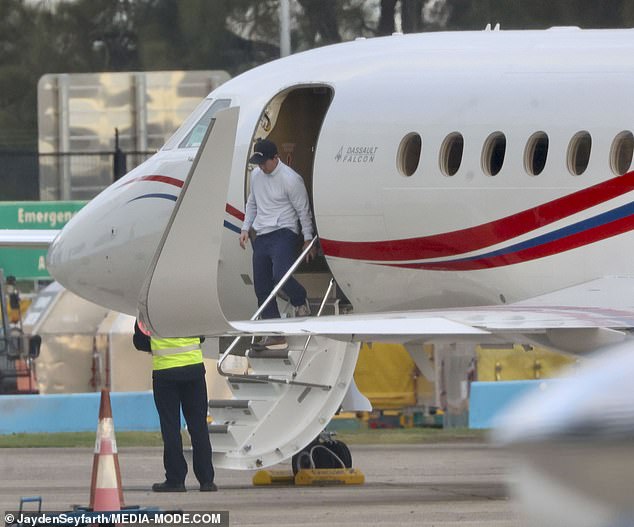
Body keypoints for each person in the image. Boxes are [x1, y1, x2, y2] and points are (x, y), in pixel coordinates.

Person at [239, 139, 316, 350]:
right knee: (262, 286)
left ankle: (300, 299)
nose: (261, 167)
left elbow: (303, 210)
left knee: (280, 275)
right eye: (258, 163)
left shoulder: (291, 180)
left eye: (264, 162)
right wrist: (245, 228)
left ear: (276, 158)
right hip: (262, 233)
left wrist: (308, 238)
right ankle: (274, 332)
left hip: (285, 231)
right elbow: (252, 203)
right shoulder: (256, 176)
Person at [133, 320, 216, 492]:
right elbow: (201, 337)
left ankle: (176, 479)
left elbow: (140, 341)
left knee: (170, 427)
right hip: (194, 370)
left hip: (165, 372)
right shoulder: (189, 305)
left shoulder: (148, 309)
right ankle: (207, 480)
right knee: (198, 426)